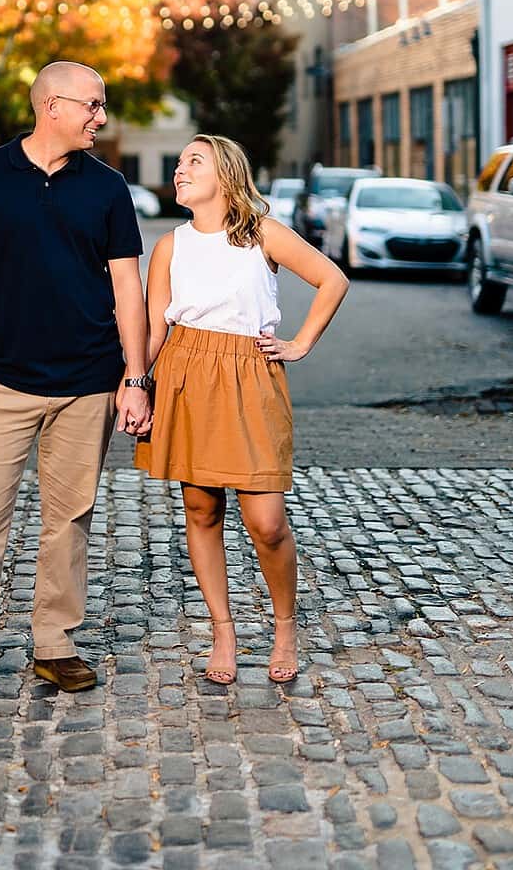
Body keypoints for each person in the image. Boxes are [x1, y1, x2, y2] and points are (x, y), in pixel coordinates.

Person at [0, 63, 153, 715]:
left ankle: (54, 644)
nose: (101, 118)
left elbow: (127, 287)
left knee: (68, 519)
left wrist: (135, 376)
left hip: (87, 382)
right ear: (53, 105)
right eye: (94, 106)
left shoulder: (108, 189)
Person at [134, 136, 349, 686]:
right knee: (202, 510)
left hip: (249, 375)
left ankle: (283, 627)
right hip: (186, 370)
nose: (180, 170)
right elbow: (156, 328)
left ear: (226, 176)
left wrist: (300, 343)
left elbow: (332, 279)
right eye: (179, 162)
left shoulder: (262, 233)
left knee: (267, 521)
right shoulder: (169, 246)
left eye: (193, 162)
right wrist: (135, 383)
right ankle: (223, 630)